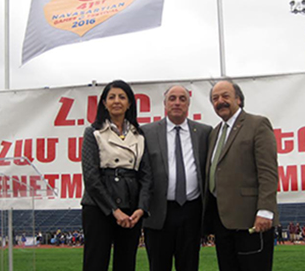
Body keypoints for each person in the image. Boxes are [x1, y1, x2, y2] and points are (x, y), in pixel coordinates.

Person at [204, 80, 279, 271]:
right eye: (215, 98)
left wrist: (265, 210)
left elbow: (268, 172)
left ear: (238, 98)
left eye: (225, 96)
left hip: (251, 220)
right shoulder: (215, 133)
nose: (220, 101)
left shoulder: (257, 124)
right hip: (223, 223)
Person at [80, 80, 152, 271]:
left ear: (129, 103)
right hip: (99, 207)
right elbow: (91, 177)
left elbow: (146, 177)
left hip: (131, 208)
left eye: (122, 97)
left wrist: (141, 208)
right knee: (95, 263)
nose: (116, 101)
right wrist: (114, 210)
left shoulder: (139, 135)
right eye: (111, 97)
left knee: (126, 264)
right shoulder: (93, 132)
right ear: (104, 103)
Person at [143, 85, 212, 271]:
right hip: (159, 213)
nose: (177, 103)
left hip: (191, 212)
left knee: (189, 266)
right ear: (165, 104)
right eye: (172, 98)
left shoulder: (204, 132)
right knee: (158, 266)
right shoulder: (147, 132)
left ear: (189, 104)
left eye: (182, 99)